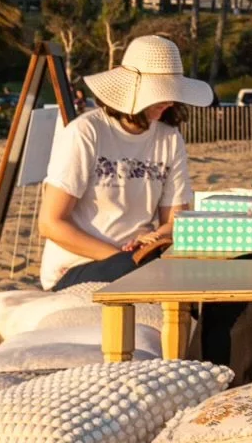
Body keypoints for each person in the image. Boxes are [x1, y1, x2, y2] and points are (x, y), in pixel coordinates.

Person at [39, 34, 210, 291]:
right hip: (78, 264)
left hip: (141, 257)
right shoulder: (86, 132)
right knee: (154, 274)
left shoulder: (169, 138)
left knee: (211, 271)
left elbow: (175, 221)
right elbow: (51, 223)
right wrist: (122, 257)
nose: (169, 101)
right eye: (161, 93)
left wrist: (153, 239)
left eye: (172, 92)